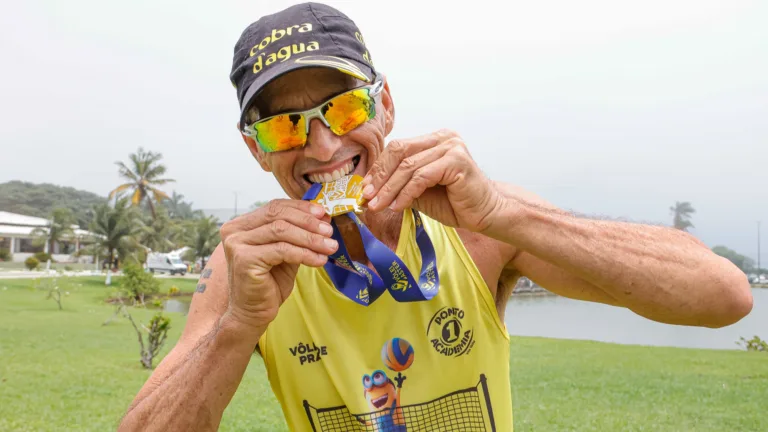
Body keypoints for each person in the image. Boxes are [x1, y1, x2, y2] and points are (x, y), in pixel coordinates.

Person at [118, 3, 753, 431]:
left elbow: (723, 297)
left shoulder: (478, 223)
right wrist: (239, 325)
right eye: (284, 126)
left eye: (343, 110)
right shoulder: (246, 270)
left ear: (385, 105)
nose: (322, 148)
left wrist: (507, 214)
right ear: (255, 148)